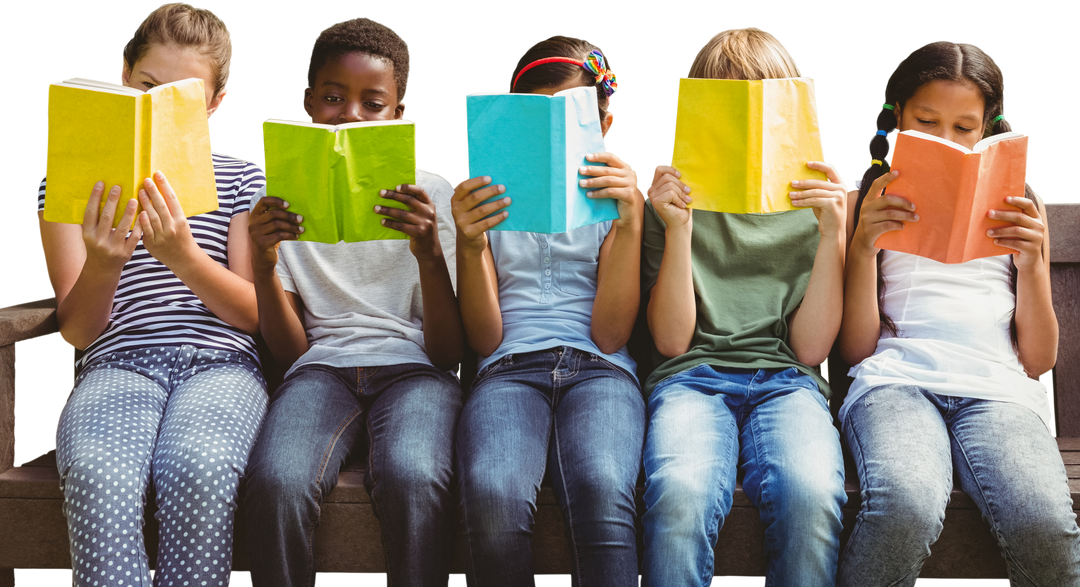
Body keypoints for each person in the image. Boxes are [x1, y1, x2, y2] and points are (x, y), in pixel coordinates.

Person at [836, 37, 1080, 587]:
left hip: (997, 391)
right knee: (905, 506)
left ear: (989, 128)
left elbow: (1038, 360)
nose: (944, 140)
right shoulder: (869, 200)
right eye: (925, 122)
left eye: (963, 128)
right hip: (895, 383)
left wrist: (1033, 264)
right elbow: (855, 349)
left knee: (1045, 524)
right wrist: (861, 249)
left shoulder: (1021, 207)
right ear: (898, 116)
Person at [38, 2, 268, 585]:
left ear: (214, 103)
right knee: (97, 471)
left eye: (184, 95)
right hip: (115, 361)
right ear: (123, 78)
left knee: (199, 466)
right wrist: (105, 262)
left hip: (221, 365)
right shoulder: (65, 182)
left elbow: (253, 314)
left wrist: (182, 256)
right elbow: (75, 331)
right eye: (147, 86)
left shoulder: (243, 179)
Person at [241, 14, 463, 587]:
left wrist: (428, 252)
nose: (351, 116)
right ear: (307, 103)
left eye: (374, 104)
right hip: (320, 369)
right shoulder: (274, 201)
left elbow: (445, 351)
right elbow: (291, 353)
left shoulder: (434, 194)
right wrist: (264, 266)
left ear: (400, 115)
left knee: (415, 476)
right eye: (334, 98)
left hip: (415, 370)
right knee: (277, 480)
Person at [640, 24, 848, 586]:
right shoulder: (671, 197)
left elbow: (809, 349)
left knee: (811, 495)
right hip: (690, 378)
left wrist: (833, 235)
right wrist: (678, 229)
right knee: (679, 494)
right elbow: (670, 343)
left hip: (788, 380)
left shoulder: (817, 202)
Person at [450, 31, 645, 587]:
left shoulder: (620, 203)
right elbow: (485, 339)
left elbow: (610, 335)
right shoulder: (485, 202)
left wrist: (630, 224)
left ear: (604, 121)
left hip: (601, 368)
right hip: (507, 368)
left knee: (604, 488)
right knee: (492, 496)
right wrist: (470, 243)